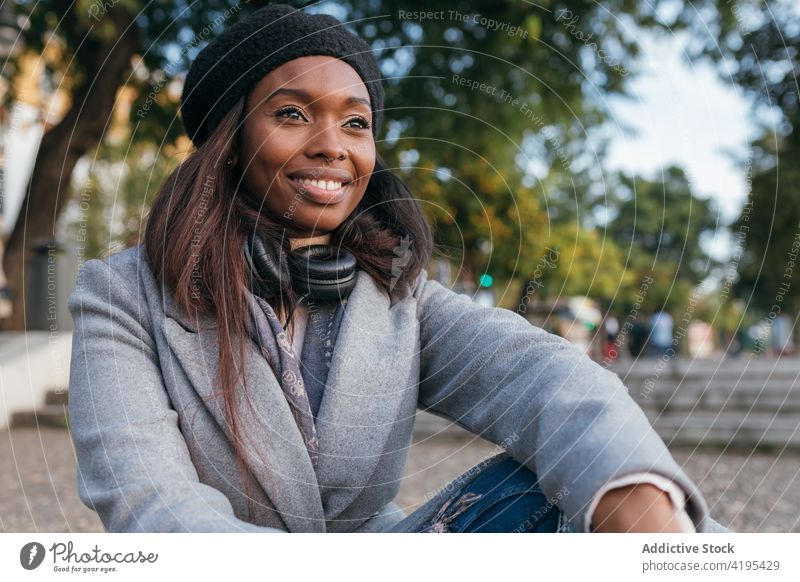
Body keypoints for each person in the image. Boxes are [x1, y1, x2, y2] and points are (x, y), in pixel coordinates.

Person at [67, 4, 729, 534]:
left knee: (583, 477)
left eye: (356, 124)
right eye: (293, 114)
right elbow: (151, 504)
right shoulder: (121, 296)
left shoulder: (397, 295)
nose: (332, 145)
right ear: (230, 140)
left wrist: (638, 494)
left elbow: (541, 378)